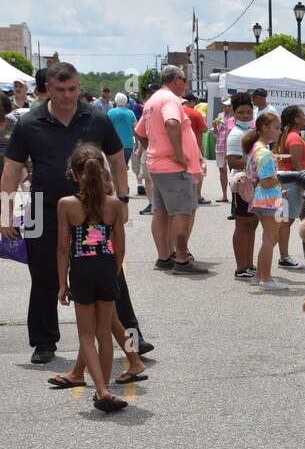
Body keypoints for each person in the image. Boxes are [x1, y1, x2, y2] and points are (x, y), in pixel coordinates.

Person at [0, 61, 130, 364]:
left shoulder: (97, 118)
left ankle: (132, 335)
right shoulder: (28, 122)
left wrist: (122, 200)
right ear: (48, 89)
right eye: (60, 90)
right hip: (38, 207)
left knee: (111, 272)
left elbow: (118, 159)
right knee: (42, 274)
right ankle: (44, 341)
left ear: (79, 86)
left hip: (93, 206)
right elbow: (12, 169)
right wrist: (5, 211)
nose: (67, 95)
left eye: (72, 89)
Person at [56, 143, 129, 412]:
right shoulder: (114, 204)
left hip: (82, 269)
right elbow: (119, 246)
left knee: (86, 334)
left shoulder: (66, 205)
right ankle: (105, 389)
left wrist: (62, 283)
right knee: (104, 333)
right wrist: (115, 270)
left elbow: (63, 248)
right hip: (107, 266)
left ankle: (101, 389)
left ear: (74, 174)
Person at [134, 65, 208, 275]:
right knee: (181, 212)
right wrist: (177, 153)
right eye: (184, 80)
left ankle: (164, 256)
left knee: (161, 212)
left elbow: (139, 130)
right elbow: (173, 123)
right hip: (172, 167)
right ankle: (182, 259)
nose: (186, 84)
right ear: (176, 79)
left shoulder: (152, 101)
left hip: (158, 165)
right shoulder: (169, 100)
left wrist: (153, 148)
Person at [245, 111, 290, 290]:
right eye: (277, 128)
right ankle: (266, 278)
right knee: (270, 240)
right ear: (264, 128)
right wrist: (283, 177)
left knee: (268, 239)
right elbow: (266, 181)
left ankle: (259, 276)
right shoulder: (264, 152)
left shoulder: (256, 148)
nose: (279, 132)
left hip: (265, 199)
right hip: (269, 200)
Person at [276, 104, 305, 269]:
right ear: (296, 119)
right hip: (293, 185)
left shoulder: (290, 135)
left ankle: (284, 256)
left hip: (290, 184)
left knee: (285, 220)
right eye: (302, 115)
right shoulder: (293, 137)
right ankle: (284, 257)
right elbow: (296, 164)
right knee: (285, 221)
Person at [226, 92, 258, 278]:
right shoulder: (236, 134)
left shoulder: (252, 131)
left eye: (248, 112)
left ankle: (249, 264)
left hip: (253, 184)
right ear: (234, 113)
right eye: (241, 113)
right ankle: (241, 267)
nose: (245, 116)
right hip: (242, 184)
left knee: (252, 224)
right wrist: (256, 162)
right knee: (243, 224)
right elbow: (232, 162)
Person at [183, 93, 210, 204]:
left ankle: (184, 196)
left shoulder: (177, 111)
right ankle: (197, 195)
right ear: (191, 101)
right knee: (198, 171)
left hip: (179, 147)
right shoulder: (195, 113)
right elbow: (204, 129)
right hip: (195, 147)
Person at [107, 93, 136, 168]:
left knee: (114, 167)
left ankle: (116, 179)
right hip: (128, 144)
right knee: (124, 166)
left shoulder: (110, 112)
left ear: (116, 101)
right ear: (126, 101)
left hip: (114, 144)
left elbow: (106, 129)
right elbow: (135, 129)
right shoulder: (131, 113)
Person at [213, 97, 232, 202]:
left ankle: (237, 196)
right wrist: (215, 127)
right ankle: (224, 195)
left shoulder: (235, 117)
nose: (226, 108)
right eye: (225, 106)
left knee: (234, 171)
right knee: (222, 171)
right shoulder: (220, 116)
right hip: (220, 147)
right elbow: (216, 134)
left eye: (228, 106)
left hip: (231, 148)